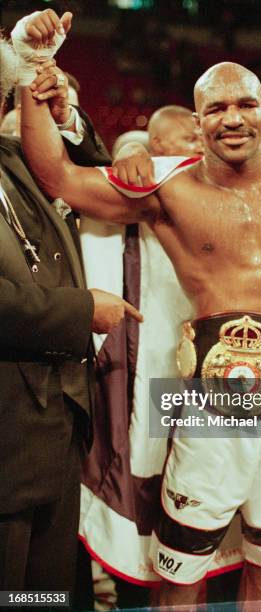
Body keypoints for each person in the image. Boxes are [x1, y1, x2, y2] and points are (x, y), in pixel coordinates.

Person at [18, 8, 261, 604]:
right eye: (216, 108)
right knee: (181, 570)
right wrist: (32, 71)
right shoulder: (168, 190)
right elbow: (58, 178)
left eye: (244, 105)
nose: (232, 118)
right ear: (198, 119)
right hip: (209, 408)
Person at [0, 25, 142, 604]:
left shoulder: (12, 157)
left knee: (47, 591)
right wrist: (82, 309)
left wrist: (56, 102)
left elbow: (89, 177)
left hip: (56, 414)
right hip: (6, 417)